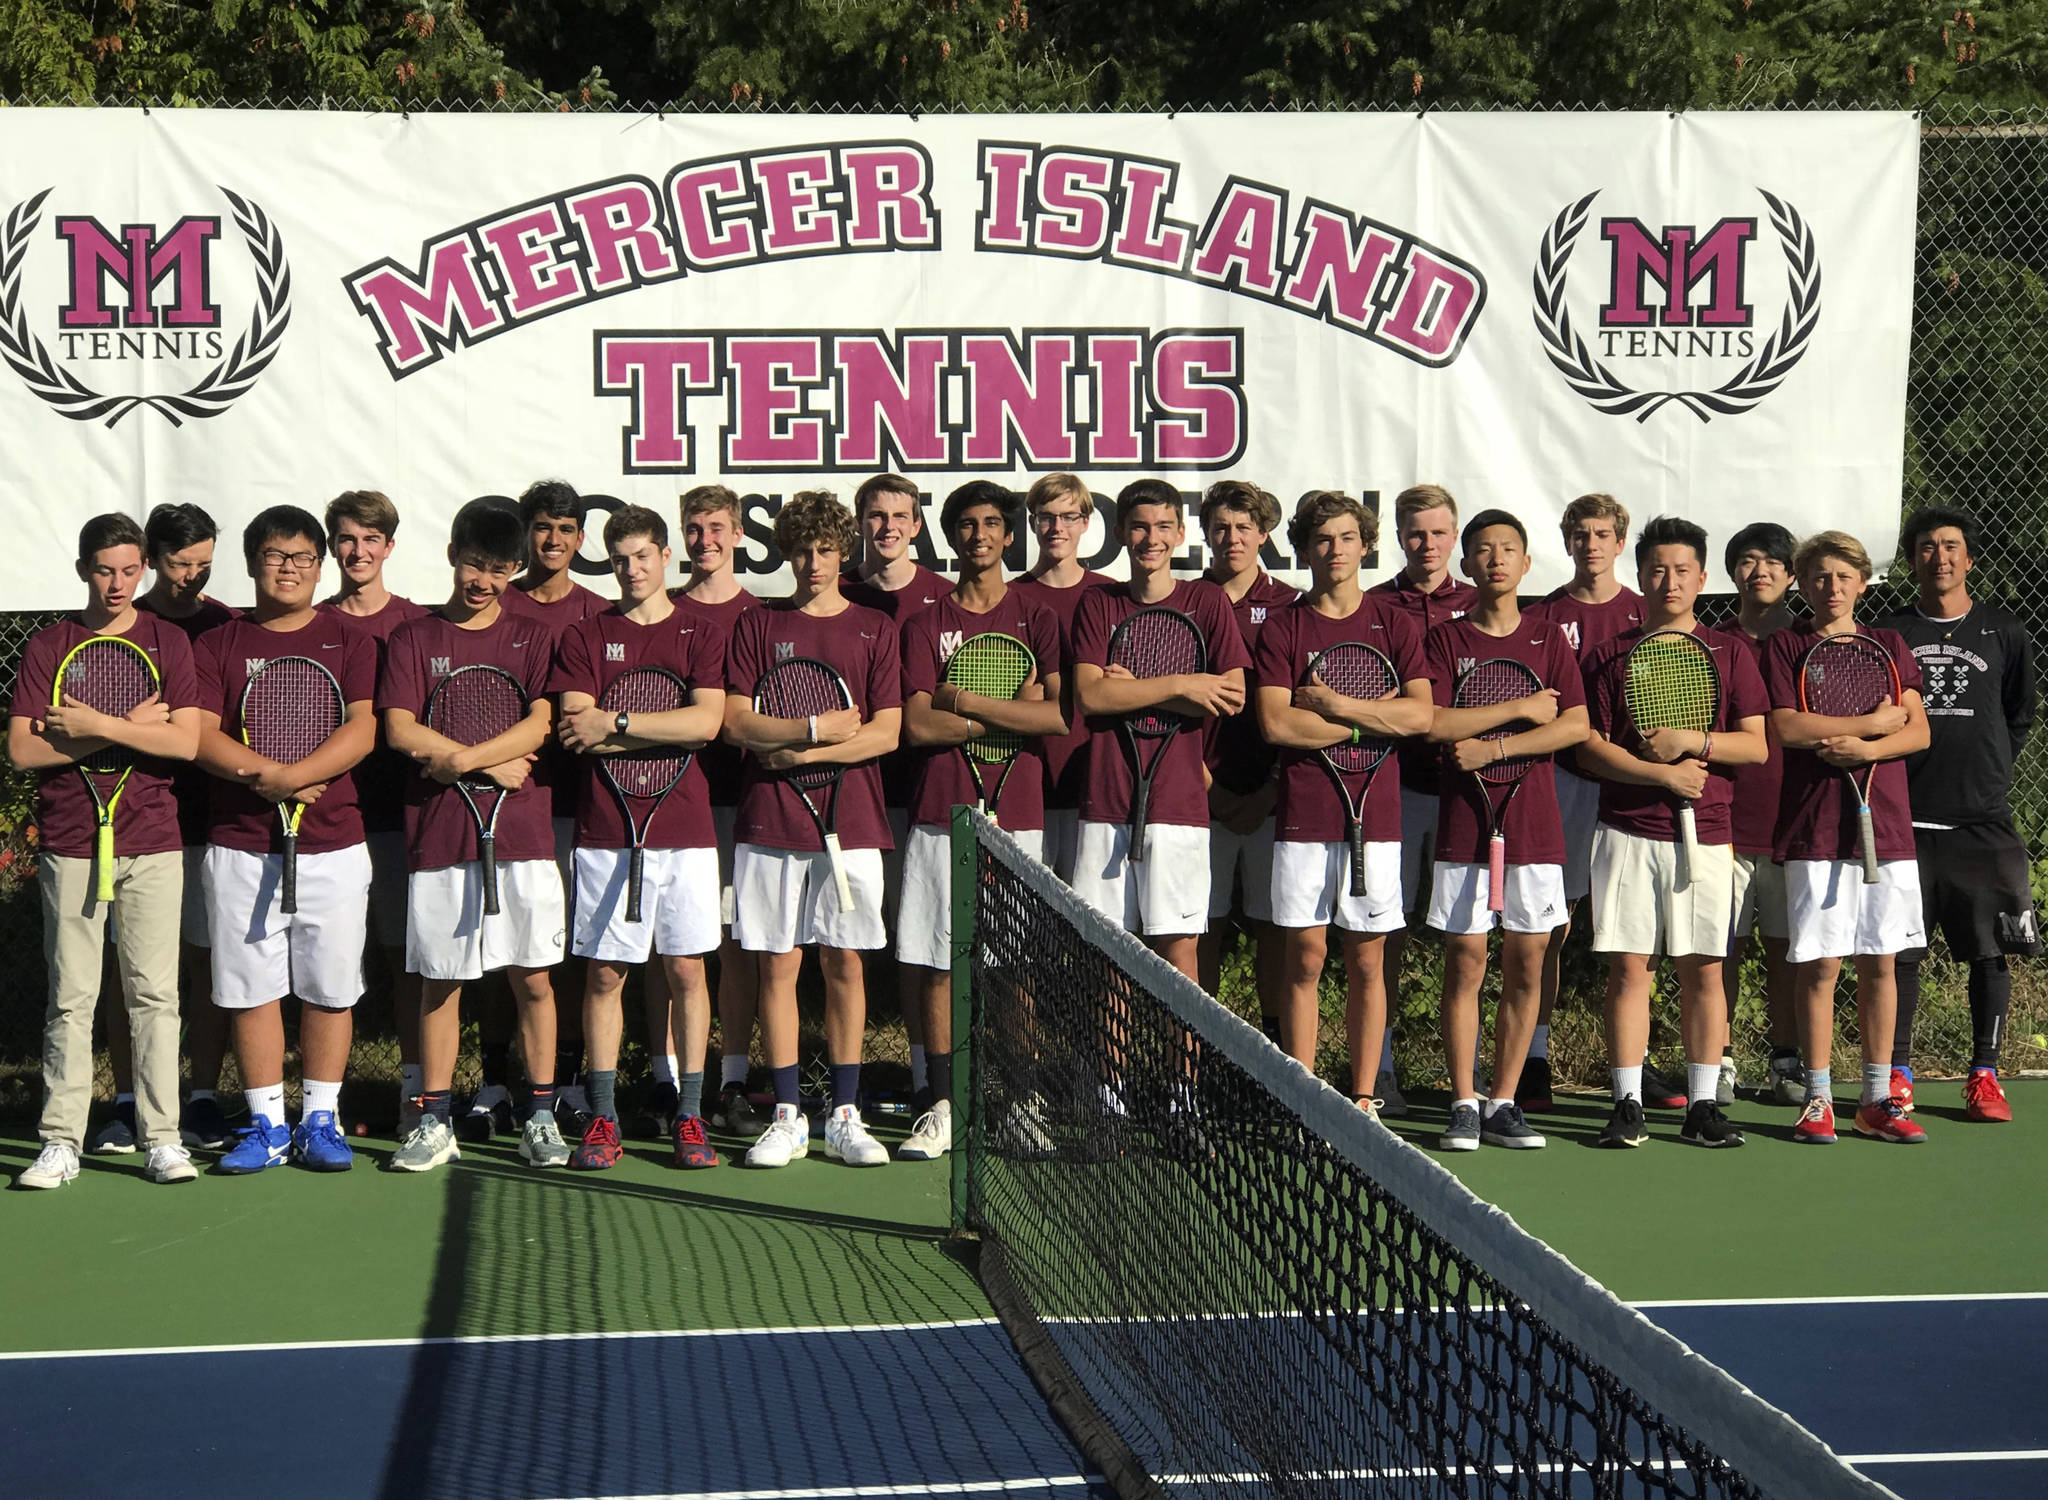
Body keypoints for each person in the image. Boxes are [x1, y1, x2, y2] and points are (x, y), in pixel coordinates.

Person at [8, 514, 202, 1188]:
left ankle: (163, 1139)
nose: (116, 583)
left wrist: (94, 724)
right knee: (72, 998)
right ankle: (60, 1141)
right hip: (70, 841)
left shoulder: (169, 641)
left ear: (143, 568)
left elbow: (185, 743)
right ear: (83, 570)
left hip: (152, 842)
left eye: (128, 570)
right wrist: (118, 729)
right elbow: (25, 749)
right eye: (103, 570)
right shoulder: (49, 647)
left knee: (154, 995)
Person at [379, 499, 567, 1172]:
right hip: (440, 838)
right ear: (452, 552)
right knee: (441, 983)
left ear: (515, 569)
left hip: (523, 841)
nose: (481, 581)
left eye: (497, 569)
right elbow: (400, 730)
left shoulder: (534, 637)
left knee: (535, 980)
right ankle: (433, 1119)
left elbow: (540, 724)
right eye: (472, 564)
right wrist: (477, 760)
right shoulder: (413, 638)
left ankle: (540, 1114)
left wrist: (456, 758)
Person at [191, 507, 377, 1173]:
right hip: (240, 844)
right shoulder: (218, 644)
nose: (289, 567)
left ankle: (320, 1119)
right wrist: (267, 778)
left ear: (319, 564)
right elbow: (202, 734)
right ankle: (266, 1124)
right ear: (251, 563)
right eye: (275, 556)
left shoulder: (350, 640)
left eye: (301, 556)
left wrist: (296, 777)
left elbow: (362, 729)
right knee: (249, 988)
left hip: (333, 845)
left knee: (329, 989)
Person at [722, 490, 902, 1168]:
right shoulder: (757, 626)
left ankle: (846, 1114)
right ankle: (790, 1114)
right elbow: (738, 722)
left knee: (845, 962)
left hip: (851, 824)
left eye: (826, 549)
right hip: (769, 825)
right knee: (778, 963)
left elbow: (885, 732)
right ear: (786, 552)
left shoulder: (874, 628)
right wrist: (814, 728)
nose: (813, 562)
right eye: (801, 549)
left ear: (843, 551)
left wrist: (802, 753)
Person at [1577, 516, 1769, 1150]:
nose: (1669, 580)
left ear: (1703, 578)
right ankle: (1628, 1104)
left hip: (1707, 835)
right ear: (1640, 576)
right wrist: (1660, 775)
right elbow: (1590, 749)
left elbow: (1756, 747)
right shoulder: (1608, 655)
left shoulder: (1730, 652)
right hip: (1626, 831)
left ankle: (1704, 1105)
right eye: (1657, 569)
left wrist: (1694, 742)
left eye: (1682, 570)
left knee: (1704, 971)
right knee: (1632, 970)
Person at [554, 505, 729, 1169]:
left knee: (687, 969)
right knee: (605, 974)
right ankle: (602, 1120)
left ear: (665, 557)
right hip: (606, 833)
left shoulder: (699, 633)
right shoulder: (585, 637)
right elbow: (576, 725)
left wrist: (618, 720)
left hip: (684, 831)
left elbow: (706, 723)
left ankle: (690, 1116)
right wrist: (650, 722)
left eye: (642, 557)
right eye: (620, 559)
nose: (631, 570)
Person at [895, 481, 1064, 1159]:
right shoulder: (923, 625)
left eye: (993, 524)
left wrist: (960, 698)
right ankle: (945, 1103)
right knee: (939, 962)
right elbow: (914, 723)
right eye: (967, 525)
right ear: (952, 535)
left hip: (1017, 818)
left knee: (1012, 968)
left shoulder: (1038, 618)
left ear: (1010, 535)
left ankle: (1022, 1102)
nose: (980, 536)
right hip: (941, 815)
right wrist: (1003, 710)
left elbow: (1051, 716)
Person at [1254, 491, 1431, 1110]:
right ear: (1304, 549)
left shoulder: (1395, 623)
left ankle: (1362, 1096)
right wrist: (1370, 724)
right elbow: (1277, 725)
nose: (1336, 551)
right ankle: (1304, 1096)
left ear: (1366, 545)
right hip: (1303, 818)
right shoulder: (1285, 626)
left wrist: (1338, 710)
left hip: (1376, 821)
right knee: (1304, 955)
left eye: (1347, 538)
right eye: (1323, 540)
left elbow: (1419, 715)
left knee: (1367, 959)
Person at [1419, 510, 1587, 1151]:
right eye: (1482, 550)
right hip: (1465, 829)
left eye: (1507, 550)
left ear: (1525, 564)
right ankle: (1463, 1101)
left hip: (1535, 832)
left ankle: (1504, 1101)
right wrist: (1518, 710)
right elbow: (1432, 724)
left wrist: (1491, 750)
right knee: (1464, 963)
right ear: (1467, 565)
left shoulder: (1548, 640)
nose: (1495, 559)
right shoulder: (1446, 642)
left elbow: (1574, 725)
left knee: (1527, 962)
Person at [1764, 530, 1931, 1146]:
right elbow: (1786, 725)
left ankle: (1876, 1098)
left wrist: (1865, 748)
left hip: (1884, 828)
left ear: (1863, 582)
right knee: (1822, 966)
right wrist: (1866, 724)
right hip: (1815, 830)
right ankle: (1818, 1099)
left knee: (1880, 962)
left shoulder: (1888, 645)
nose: (1830, 588)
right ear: (1801, 585)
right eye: (1817, 578)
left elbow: (1916, 734)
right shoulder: (1786, 646)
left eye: (1842, 576)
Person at [1883, 508, 2040, 1122]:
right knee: (1900, 955)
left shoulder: (2005, 631)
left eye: (1951, 547)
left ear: (1970, 559)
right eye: (1926, 547)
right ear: (1913, 559)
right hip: (1905, 821)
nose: (1939, 557)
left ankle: (1984, 1074)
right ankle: (1896, 1076)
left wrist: (1989, 767)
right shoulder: (1890, 632)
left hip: (1982, 822)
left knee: (1989, 952)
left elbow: (2018, 714)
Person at [1069, 479, 1251, 982]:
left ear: (1180, 534)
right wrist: (1183, 685)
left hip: (1179, 808)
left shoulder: (1207, 601)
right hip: (1106, 803)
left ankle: (1180, 1066)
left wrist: (1134, 689)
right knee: (1107, 954)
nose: (1152, 538)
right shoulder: (1098, 603)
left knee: (1179, 953)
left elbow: (1231, 693)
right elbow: (1091, 695)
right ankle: (1110, 1066)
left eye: (1163, 527)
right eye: (1141, 527)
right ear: (1123, 533)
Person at [117, 502, 238, 1154]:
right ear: (153, 558)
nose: (192, 575)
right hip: (136, 818)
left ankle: (201, 1098)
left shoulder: (225, 623)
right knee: (131, 972)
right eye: (180, 562)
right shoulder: (125, 624)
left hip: (210, 819)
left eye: (204, 564)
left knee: (207, 961)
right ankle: (127, 1101)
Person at [496, 479, 611, 1136]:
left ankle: (566, 1081)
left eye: (567, 530)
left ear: (580, 538)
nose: (555, 540)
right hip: (509, 809)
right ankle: (490, 1082)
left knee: (566, 954)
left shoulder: (597, 612)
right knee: (500, 954)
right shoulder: (495, 607)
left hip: (585, 810)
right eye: (543, 527)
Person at [1523, 493, 1644, 1112]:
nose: (1592, 543)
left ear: (1620, 542)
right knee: (1551, 924)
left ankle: (1636, 1072)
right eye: (1581, 533)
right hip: (1562, 783)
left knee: (1636, 935)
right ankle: (1536, 1058)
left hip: (1632, 787)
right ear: (1567, 542)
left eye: (1603, 533)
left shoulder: (1648, 614)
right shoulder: (1544, 616)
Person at [320, 490, 433, 1134]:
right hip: (327, 827)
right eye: (346, 539)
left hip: (401, 823)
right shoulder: (312, 623)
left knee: (405, 961)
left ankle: (416, 1105)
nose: (357, 552)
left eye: (371, 540)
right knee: (328, 971)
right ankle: (320, 1110)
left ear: (390, 546)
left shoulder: (417, 625)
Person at [1364, 484, 1477, 1114]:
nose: (1427, 545)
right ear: (1398, 537)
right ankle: (1380, 1072)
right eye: (1415, 533)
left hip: (1471, 796)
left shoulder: (1481, 604)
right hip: (1392, 793)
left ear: (1453, 535)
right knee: (1386, 933)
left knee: (1469, 941)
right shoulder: (1377, 606)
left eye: (1437, 533)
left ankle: (1468, 1076)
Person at [841, 473, 952, 1110]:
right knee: (906, 943)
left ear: (916, 525)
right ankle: (920, 1075)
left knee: (930, 940)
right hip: (856, 795)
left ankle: (943, 1079)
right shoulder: (841, 594)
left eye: (899, 516)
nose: (887, 527)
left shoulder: (941, 598)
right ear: (861, 523)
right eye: (876, 515)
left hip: (932, 793)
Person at [669, 484, 766, 1138]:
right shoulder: (662, 612)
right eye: (694, 529)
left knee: (733, 944)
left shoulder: (762, 615)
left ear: (737, 535)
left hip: (745, 806)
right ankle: (674, 1086)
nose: (705, 540)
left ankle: (731, 1081)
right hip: (672, 808)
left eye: (716, 529)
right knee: (672, 952)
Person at [1197, 481, 1299, 1017]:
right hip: (1200, 794)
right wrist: (1207, 788)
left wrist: (1273, 788)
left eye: (1243, 527)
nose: (1231, 537)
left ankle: (1275, 1053)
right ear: (1206, 532)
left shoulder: (1292, 606)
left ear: (1264, 533)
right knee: (1199, 925)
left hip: (1275, 797)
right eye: (1221, 527)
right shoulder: (1185, 600)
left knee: (1275, 924)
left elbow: (1301, 706)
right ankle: (1200, 1053)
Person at [1720, 522, 1803, 1105]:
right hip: (1722, 825)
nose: (1761, 571)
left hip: (1796, 825)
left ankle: (1786, 1060)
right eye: (1749, 561)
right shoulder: (1713, 644)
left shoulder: (1810, 645)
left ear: (1791, 575)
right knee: (1723, 947)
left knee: (1785, 948)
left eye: (1774, 562)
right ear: (1732, 574)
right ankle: (1717, 1060)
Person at [1010, 473, 1112, 881]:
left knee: (1094, 930)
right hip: (1026, 787)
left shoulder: (1110, 596)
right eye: (1046, 517)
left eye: (1069, 517)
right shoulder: (1008, 596)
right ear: (1032, 523)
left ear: (1086, 522)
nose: (1057, 528)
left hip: (1096, 788)